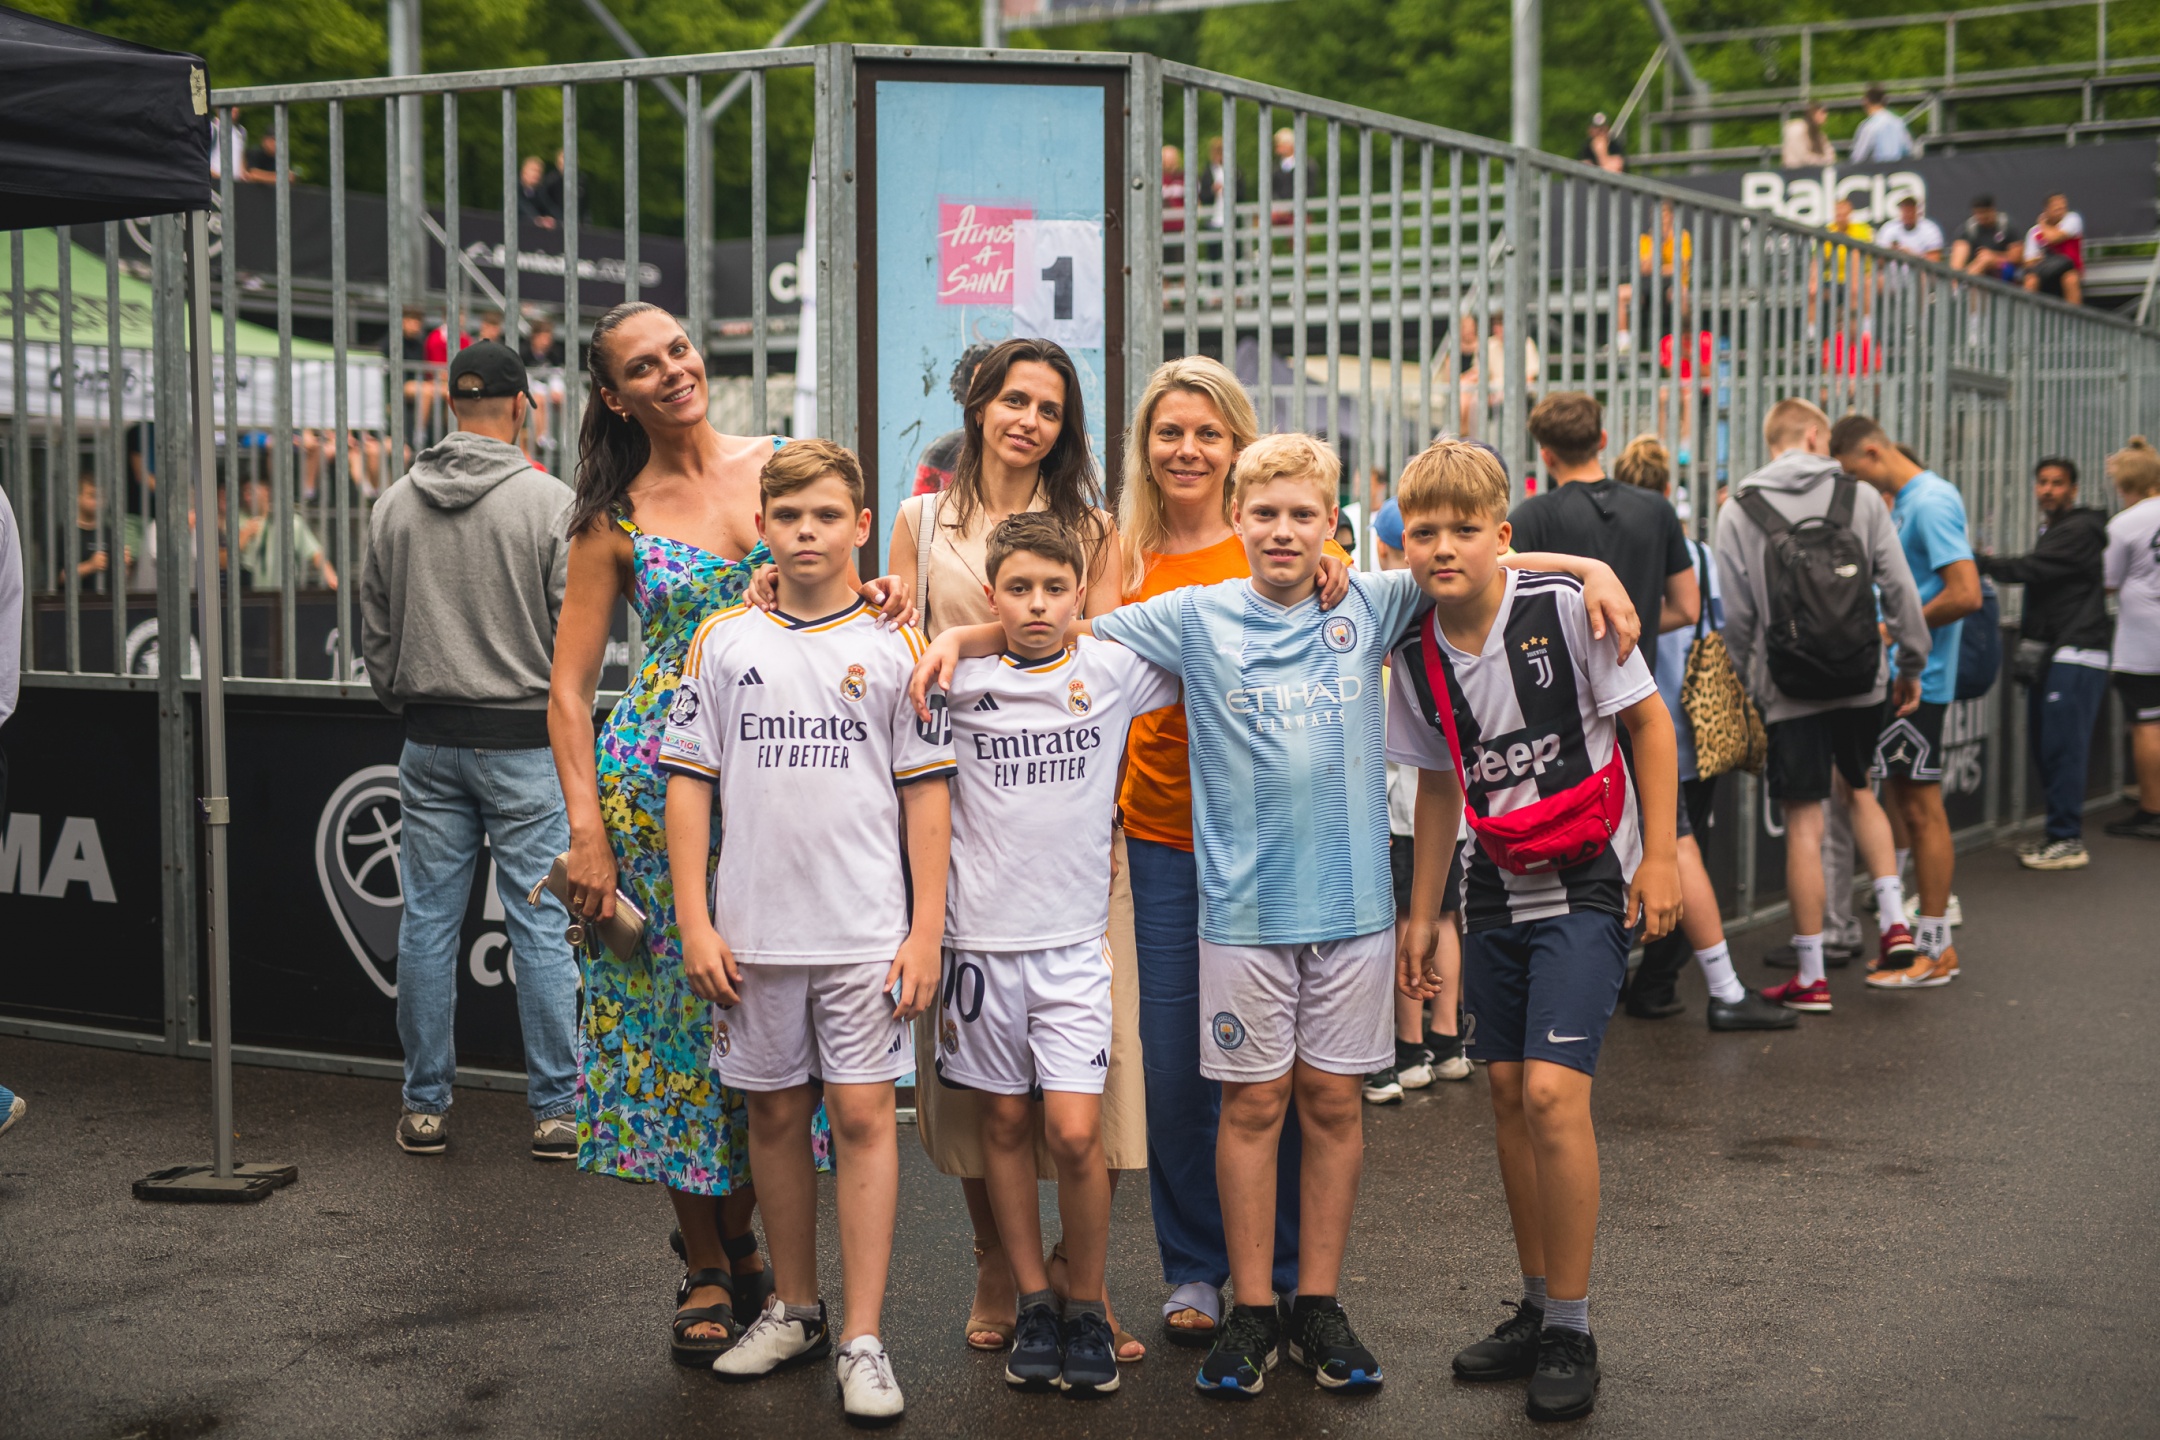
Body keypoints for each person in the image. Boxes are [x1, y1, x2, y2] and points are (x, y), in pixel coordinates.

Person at [926, 432, 1434, 1398]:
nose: (1283, 531)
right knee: (1251, 1106)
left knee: (1333, 1106)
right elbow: (1060, 627)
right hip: (1239, 913)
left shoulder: (1372, 601)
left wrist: (1588, 573)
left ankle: (1318, 1305)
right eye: (1265, 513)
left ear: (1333, 524)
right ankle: (1251, 1310)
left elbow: (1482, 560)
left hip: (1355, 912)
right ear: (1237, 519)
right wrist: (959, 638)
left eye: (1304, 516)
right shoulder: (1193, 615)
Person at [1388, 439, 1680, 1424]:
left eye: (1465, 529)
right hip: (1492, 891)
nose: (1443, 546)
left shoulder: (1566, 607)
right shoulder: (1414, 650)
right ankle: (1537, 1303)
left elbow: (1650, 725)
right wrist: (1422, 916)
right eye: (1423, 531)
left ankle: (1573, 1328)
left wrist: (1662, 856)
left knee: (1555, 1096)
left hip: (1589, 879)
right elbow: (1439, 786)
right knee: (1509, 1096)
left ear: (1502, 538)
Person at [661, 440, 948, 1424]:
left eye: (827, 516)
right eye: (787, 517)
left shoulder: (896, 642)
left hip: (865, 934)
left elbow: (927, 796)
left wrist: (924, 930)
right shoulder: (723, 639)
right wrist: (695, 921)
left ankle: (864, 1338)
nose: (807, 533)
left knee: (863, 1121)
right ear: (762, 528)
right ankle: (796, 1309)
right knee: (775, 1120)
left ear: (861, 525)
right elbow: (689, 785)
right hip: (753, 937)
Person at [546, 302, 806, 1366]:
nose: (673, 372)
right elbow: (569, 694)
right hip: (654, 794)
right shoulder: (612, 517)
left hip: (783, 775)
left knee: (763, 1014)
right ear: (615, 398)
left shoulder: (785, 464)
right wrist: (587, 835)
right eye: (643, 367)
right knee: (669, 1029)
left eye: (680, 350)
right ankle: (707, 1259)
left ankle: (742, 1237)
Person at [875, 337, 1144, 1364]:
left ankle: (1086, 1278)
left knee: (1087, 1092)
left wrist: (967, 637)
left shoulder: (1093, 529)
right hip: (961, 832)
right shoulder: (920, 521)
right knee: (978, 1093)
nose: (1029, 420)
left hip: (1071, 833)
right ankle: (1000, 1263)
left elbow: (1094, 656)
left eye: (1050, 407)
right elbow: (896, 644)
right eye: (1014, 400)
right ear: (979, 404)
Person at [936, 512, 1181, 1397]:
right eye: (1018, 589)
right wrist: (957, 640)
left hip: (1075, 947)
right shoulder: (955, 679)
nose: (1036, 605)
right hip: (977, 948)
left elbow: (1214, 634)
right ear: (990, 593)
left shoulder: (1111, 668)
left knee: (1077, 1134)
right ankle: (1033, 1301)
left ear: (1081, 593)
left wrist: (1328, 574)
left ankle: (1086, 1302)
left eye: (1054, 588)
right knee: (1003, 1125)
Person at [357, 339, 580, 1161]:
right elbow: (577, 635)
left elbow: (375, 631)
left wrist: (407, 698)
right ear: (523, 406)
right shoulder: (551, 502)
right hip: (523, 745)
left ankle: (424, 1107)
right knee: (541, 927)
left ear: (451, 403)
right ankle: (556, 1111)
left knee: (425, 923)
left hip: (428, 740)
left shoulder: (393, 503)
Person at [1718, 398, 1930, 1013]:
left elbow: (1737, 618)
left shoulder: (1739, 508)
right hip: (1863, 677)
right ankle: (1895, 924)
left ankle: (1811, 976)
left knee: (1804, 825)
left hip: (1789, 687)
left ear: (1773, 440)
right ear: (1814, 435)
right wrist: (1910, 664)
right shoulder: (1860, 497)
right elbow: (1899, 589)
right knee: (1860, 790)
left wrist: (1745, 687)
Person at [1612, 436, 1796, 1031]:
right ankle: (1660, 983)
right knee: (1683, 851)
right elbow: (1718, 620)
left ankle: (1614, 978)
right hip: (1691, 728)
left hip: (1625, 726)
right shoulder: (1694, 554)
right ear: (1669, 491)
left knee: (1622, 853)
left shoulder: (1605, 553)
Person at [1830, 418, 1980, 990]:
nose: (1854, 485)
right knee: (1901, 803)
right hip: (1899, 679)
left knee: (1920, 810)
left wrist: (1892, 631)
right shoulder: (1910, 501)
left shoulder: (1932, 500)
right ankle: (1919, 941)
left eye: (1854, 472)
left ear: (1872, 451)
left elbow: (1964, 592)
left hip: (1918, 684)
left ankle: (1937, 949)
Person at [1362, 497, 1474, 1104]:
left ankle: (1407, 1049)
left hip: (1408, 804)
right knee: (1446, 914)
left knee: (1409, 919)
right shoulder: (1454, 604)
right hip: (1449, 806)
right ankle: (1448, 1041)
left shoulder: (1396, 615)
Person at [1979, 456, 2111, 869]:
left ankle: (2067, 839)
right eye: (2042, 482)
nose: (2048, 490)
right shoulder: (2055, 530)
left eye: (2057, 483)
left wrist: (1978, 562)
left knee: (2063, 749)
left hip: (2077, 651)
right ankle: (2059, 835)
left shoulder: (2079, 530)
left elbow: (2032, 569)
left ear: (2073, 489)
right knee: (2048, 747)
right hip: (2057, 653)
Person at [1510, 392, 1699, 645]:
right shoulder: (1657, 509)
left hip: (1563, 667)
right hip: (1636, 667)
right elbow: (1687, 609)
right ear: (1602, 440)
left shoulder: (1532, 516)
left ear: (1546, 456)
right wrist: (1627, 623)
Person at [2102, 437, 2160, 840]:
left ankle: (2152, 809)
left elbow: (2107, 581)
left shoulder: (2124, 523)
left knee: (2147, 724)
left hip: (2144, 637)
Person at [910, 342, 995, 497]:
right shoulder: (940, 455)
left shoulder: (1027, 449)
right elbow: (919, 510)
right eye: (979, 387)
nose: (985, 397)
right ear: (966, 392)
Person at [236, 475, 338, 591]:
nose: (246, 497)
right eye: (244, 492)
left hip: (284, 593)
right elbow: (225, 560)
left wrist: (332, 579)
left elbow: (316, 554)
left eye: (250, 491)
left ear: (266, 490)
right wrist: (244, 535)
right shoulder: (239, 521)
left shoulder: (289, 522)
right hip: (249, 595)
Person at [2023, 193, 2085, 305]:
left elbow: (2054, 238)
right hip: (2046, 273)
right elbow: (2029, 262)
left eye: (2063, 207)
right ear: (2046, 210)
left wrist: (2042, 223)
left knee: (2071, 280)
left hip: (2069, 270)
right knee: (2030, 280)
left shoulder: (2072, 219)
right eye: (2057, 208)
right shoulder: (2034, 232)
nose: (2061, 210)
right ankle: (2027, 314)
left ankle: (2072, 315)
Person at [1951, 196, 2020, 282]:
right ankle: (1958, 283)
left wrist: (1993, 256)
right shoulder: (1969, 228)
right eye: (1978, 213)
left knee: (1985, 258)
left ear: (1992, 210)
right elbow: (1957, 261)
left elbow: (2017, 257)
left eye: (1984, 213)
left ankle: (1964, 283)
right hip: (1975, 267)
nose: (1981, 217)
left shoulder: (2006, 225)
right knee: (1961, 250)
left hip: (2004, 269)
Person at [1849, 83, 1915, 162]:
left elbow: (1858, 157)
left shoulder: (1869, 125)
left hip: (1878, 167)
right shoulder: (1897, 122)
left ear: (1866, 101)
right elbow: (1910, 149)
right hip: (1898, 167)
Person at [1876, 195, 1944, 263]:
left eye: (1911, 208)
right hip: (1892, 269)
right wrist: (1889, 252)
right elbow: (1878, 262)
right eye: (1904, 208)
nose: (1908, 213)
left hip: (1918, 269)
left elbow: (1934, 262)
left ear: (1917, 210)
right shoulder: (1889, 228)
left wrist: (1912, 255)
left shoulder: (1930, 229)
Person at [1782, 102, 1835, 168]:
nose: (1826, 115)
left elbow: (1830, 154)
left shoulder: (1820, 136)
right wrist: (1823, 160)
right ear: (1813, 113)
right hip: (1795, 170)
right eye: (1822, 112)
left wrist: (1826, 160)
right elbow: (1802, 156)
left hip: (1815, 169)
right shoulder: (1796, 129)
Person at [516, 155, 558, 229]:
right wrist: (537, 219)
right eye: (534, 170)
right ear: (524, 172)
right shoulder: (514, 189)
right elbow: (522, 205)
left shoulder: (540, 191)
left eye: (539, 171)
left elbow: (548, 206)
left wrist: (554, 219)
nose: (537, 174)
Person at [1162, 143, 1187, 235]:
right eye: (1167, 159)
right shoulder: (1156, 179)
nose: (1170, 162)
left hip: (1180, 228)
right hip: (1160, 228)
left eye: (1172, 158)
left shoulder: (1184, 177)